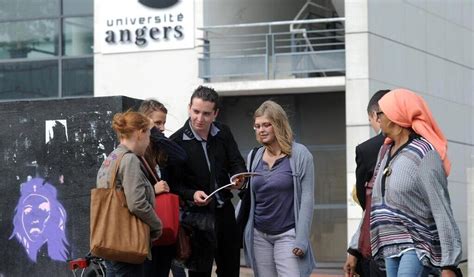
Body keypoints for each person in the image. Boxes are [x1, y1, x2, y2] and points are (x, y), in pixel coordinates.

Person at [360, 89, 462, 276]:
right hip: (390, 244)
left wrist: (450, 265)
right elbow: (373, 203)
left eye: (380, 113)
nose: (378, 118)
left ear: (395, 115)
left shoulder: (424, 153)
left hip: (416, 243)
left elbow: (441, 208)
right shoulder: (385, 151)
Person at [170, 85, 246, 277]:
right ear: (189, 108)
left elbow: (236, 162)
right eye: (196, 112)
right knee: (200, 274)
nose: (199, 118)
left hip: (225, 213)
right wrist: (191, 194)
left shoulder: (224, 132)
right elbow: (171, 185)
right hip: (196, 219)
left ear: (215, 114)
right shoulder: (176, 142)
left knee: (230, 271)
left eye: (206, 114)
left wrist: (239, 176)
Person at [243, 100, 316, 277]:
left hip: (288, 234)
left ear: (279, 124)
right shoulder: (253, 156)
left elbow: (307, 199)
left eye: (267, 124)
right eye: (257, 126)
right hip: (259, 235)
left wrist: (302, 239)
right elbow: (250, 196)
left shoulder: (300, 154)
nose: (261, 130)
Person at [96, 111, 162, 277]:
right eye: (148, 135)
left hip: (110, 240)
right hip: (127, 243)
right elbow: (137, 203)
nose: (148, 142)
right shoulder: (130, 159)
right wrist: (157, 225)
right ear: (140, 133)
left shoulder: (111, 158)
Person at [138, 99, 187, 277]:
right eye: (157, 123)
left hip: (165, 224)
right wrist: (154, 189)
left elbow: (181, 157)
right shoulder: (137, 152)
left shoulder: (161, 148)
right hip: (146, 227)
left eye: (164, 123)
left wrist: (156, 135)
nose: (162, 127)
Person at [344, 89, 390, 277]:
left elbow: (366, 204)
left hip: (375, 242)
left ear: (375, 115)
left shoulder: (366, 149)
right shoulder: (423, 144)